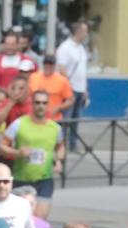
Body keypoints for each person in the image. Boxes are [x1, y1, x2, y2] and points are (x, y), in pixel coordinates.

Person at [2, 88, 65, 218]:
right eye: (37, 102)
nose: (40, 106)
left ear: (48, 105)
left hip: (44, 180)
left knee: (40, 220)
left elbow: (60, 147)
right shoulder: (19, 124)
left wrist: (58, 160)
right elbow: (1, 147)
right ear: (32, 104)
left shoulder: (55, 128)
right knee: (20, 219)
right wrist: (18, 152)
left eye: (43, 103)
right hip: (21, 179)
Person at [54, 21, 89, 150]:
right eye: (85, 30)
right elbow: (62, 68)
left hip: (80, 89)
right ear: (78, 31)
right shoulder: (65, 47)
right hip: (70, 90)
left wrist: (85, 88)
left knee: (76, 119)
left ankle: (72, 145)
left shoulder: (81, 48)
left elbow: (83, 70)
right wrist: (68, 88)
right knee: (66, 119)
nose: (86, 34)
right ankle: (61, 145)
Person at [29, 53, 75, 122]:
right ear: (43, 64)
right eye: (46, 64)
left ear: (54, 65)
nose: (48, 66)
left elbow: (71, 99)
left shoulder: (62, 80)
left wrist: (59, 108)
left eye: (51, 64)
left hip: (54, 119)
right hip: (34, 118)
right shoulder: (33, 77)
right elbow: (27, 96)